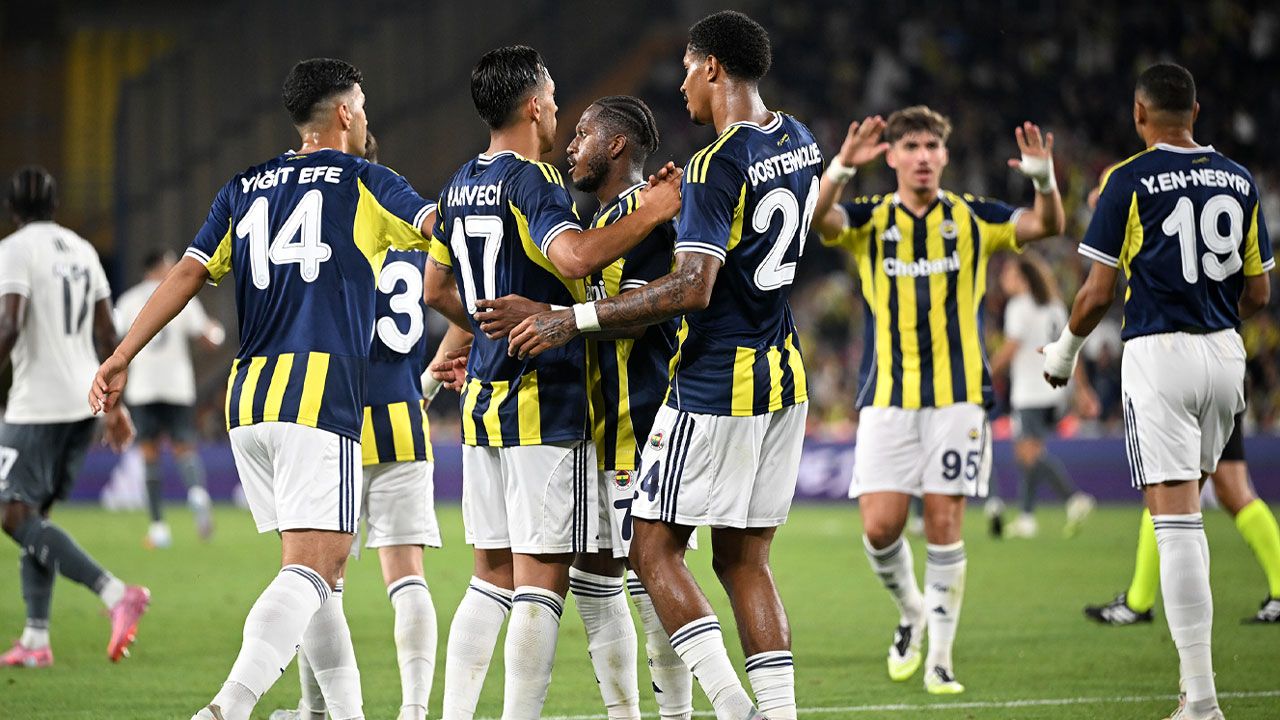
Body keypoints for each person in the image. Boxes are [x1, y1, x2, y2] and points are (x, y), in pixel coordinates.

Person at [90, 58, 438, 720]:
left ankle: (343, 715)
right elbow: (440, 229)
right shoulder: (365, 180)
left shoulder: (244, 186)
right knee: (311, 570)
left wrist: (121, 354)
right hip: (317, 398)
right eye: (362, 105)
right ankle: (227, 707)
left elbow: (187, 274)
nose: (365, 116)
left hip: (249, 400)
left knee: (317, 575)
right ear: (345, 112)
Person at [506, 12, 816, 720]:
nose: (680, 85)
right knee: (744, 560)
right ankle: (778, 713)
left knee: (651, 554)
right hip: (783, 370)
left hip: (716, 380)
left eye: (686, 69)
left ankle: (733, 708)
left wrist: (571, 319)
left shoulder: (713, 165)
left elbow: (692, 288)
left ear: (712, 67)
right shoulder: (800, 140)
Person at [422, 46, 681, 720]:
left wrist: (485, 332)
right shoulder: (531, 180)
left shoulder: (458, 181)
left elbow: (436, 288)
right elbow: (572, 256)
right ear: (534, 105)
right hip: (542, 402)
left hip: (480, 404)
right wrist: (653, 211)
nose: (561, 113)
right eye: (556, 99)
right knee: (542, 583)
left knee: (489, 578)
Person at [1043, 63, 1272, 720]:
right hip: (1226, 355)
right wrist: (1212, 317)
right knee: (1191, 508)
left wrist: (1063, 354)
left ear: (1139, 115)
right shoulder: (1240, 178)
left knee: (1175, 524)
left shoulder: (1127, 179)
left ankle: (1201, 700)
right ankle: (1193, 696)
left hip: (1158, 353)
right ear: (1195, 112)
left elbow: (1096, 293)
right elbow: (1259, 292)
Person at [811, 105, 1065, 694]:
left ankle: (941, 660)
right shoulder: (870, 219)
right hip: (888, 395)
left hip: (959, 396)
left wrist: (1045, 180)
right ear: (893, 157)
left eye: (931, 146)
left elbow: (1046, 225)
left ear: (945, 155)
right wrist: (841, 167)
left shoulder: (973, 216)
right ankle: (912, 610)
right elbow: (817, 220)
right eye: (911, 146)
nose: (923, 156)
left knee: (946, 522)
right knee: (880, 528)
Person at [270, 131, 463, 720]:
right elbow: (472, 310)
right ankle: (414, 709)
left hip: (334, 418)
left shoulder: (334, 239)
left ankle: (315, 710)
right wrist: (428, 380)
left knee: (316, 576)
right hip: (404, 415)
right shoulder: (415, 245)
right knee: (407, 577)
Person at [0, 165, 147, 668]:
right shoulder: (83, 251)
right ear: (55, 205)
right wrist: (115, 406)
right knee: (36, 517)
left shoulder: (14, 249)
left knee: (13, 514)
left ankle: (115, 593)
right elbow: (108, 335)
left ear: (11, 210)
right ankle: (36, 639)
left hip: (36, 405)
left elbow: (9, 324)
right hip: (83, 401)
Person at [1086, 411, 1280, 626]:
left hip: (1183, 398)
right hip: (1226, 393)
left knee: (1161, 490)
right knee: (1232, 489)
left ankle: (1139, 602)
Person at [114, 247, 225, 548]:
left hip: (143, 387)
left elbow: (114, 336)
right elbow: (209, 338)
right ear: (160, 266)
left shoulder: (128, 301)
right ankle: (197, 494)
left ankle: (159, 528)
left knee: (149, 454)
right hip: (177, 386)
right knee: (184, 448)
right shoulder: (180, 294)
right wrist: (216, 332)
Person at [989, 251, 1097, 539]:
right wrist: (1082, 389)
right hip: (1055, 390)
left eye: (1009, 274)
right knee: (1026, 453)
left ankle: (1074, 498)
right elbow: (1071, 349)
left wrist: (987, 373)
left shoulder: (1019, 306)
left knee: (1030, 453)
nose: (1004, 280)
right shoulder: (1055, 307)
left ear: (1022, 278)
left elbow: (1011, 347)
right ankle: (1026, 517)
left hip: (1030, 391)